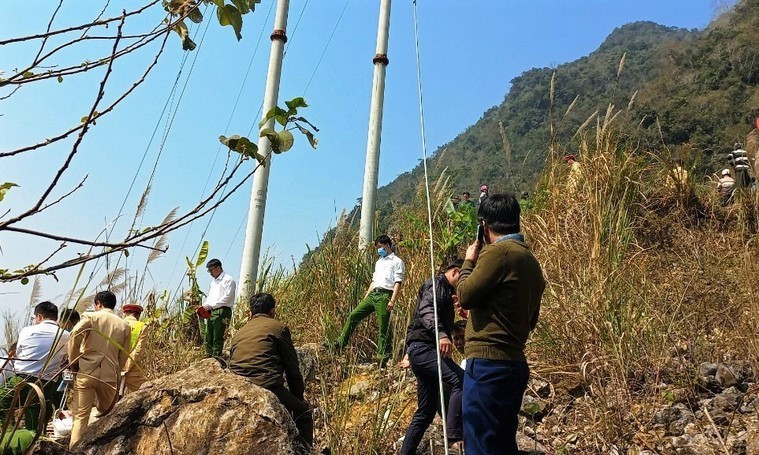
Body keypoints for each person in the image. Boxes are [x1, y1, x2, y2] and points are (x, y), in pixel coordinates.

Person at [457, 194, 546, 455]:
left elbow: (464, 294)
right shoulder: (530, 261)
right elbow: (530, 320)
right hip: (513, 365)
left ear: (483, 226)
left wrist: (468, 261)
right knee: (502, 444)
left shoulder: (498, 253)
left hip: (487, 366)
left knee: (480, 445)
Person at [229, 293, 313, 447]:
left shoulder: (238, 334)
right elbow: (292, 369)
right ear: (272, 312)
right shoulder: (278, 328)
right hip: (267, 386)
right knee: (304, 413)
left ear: (250, 313)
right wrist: (299, 399)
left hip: (238, 388)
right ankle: (304, 450)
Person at [400, 259, 465, 454]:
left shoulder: (447, 291)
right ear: (455, 272)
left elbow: (416, 324)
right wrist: (442, 334)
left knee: (426, 412)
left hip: (421, 350)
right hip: (425, 349)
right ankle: (454, 436)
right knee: (460, 380)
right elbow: (426, 310)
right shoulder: (436, 285)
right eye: (463, 276)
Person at [67, 291, 131, 448]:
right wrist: (116, 369)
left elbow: (75, 334)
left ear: (98, 304)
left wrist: (74, 361)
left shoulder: (91, 317)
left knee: (81, 417)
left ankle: (74, 450)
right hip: (109, 375)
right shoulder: (124, 325)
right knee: (108, 416)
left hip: (87, 370)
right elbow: (124, 355)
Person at [334, 235, 404, 365]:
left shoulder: (397, 261)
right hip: (373, 294)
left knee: (383, 326)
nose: (379, 250)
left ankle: (383, 356)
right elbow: (373, 281)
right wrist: (366, 297)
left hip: (385, 295)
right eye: (377, 248)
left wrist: (392, 300)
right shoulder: (378, 262)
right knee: (354, 315)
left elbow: (398, 282)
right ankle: (341, 342)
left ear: (387, 245)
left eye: (380, 247)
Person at [9, 302, 69, 431]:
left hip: (21, 379)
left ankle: (9, 435)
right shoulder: (65, 335)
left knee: (3, 402)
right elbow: (66, 358)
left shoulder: (27, 331)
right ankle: (35, 441)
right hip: (45, 384)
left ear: (40, 316)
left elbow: (19, 353)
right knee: (38, 414)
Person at [202, 258, 237, 357]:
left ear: (218, 268)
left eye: (211, 270)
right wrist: (205, 306)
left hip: (222, 310)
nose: (210, 273)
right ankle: (208, 357)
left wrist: (212, 305)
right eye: (209, 271)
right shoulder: (213, 282)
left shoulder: (228, 280)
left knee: (218, 335)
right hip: (211, 311)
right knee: (208, 335)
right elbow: (210, 297)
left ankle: (216, 357)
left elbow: (228, 298)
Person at [122, 304, 148, 393]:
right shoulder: (142, 326)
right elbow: (138, 350)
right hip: (131, 368)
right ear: (138, 315)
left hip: (112, 366)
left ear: (125, 313)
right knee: (146, 392)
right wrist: (126, 367)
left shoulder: (116, 323)